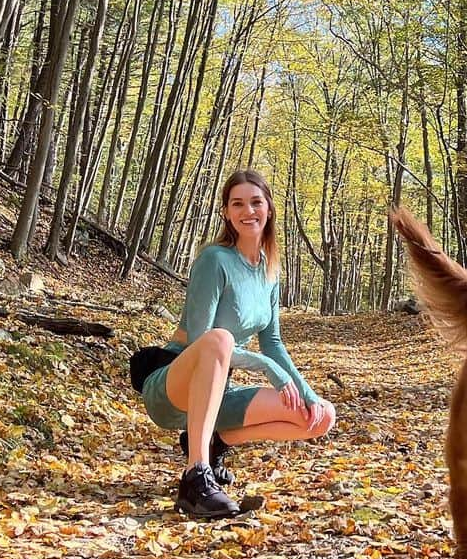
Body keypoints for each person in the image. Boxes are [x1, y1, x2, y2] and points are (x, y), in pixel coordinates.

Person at [137, 170, 335, 518]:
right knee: (221, 338)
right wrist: (266, 367)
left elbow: (272, 341)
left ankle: (216, 442)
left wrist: (307, 392)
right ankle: (195, 477)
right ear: (227, 212)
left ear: (269, 209)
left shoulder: (269, 270)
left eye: (256, 202)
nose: (248, 211)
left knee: (318, 418)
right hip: (174, 385)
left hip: (218, 395)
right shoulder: (214, 260)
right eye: (237, 203)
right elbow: (203, 342)